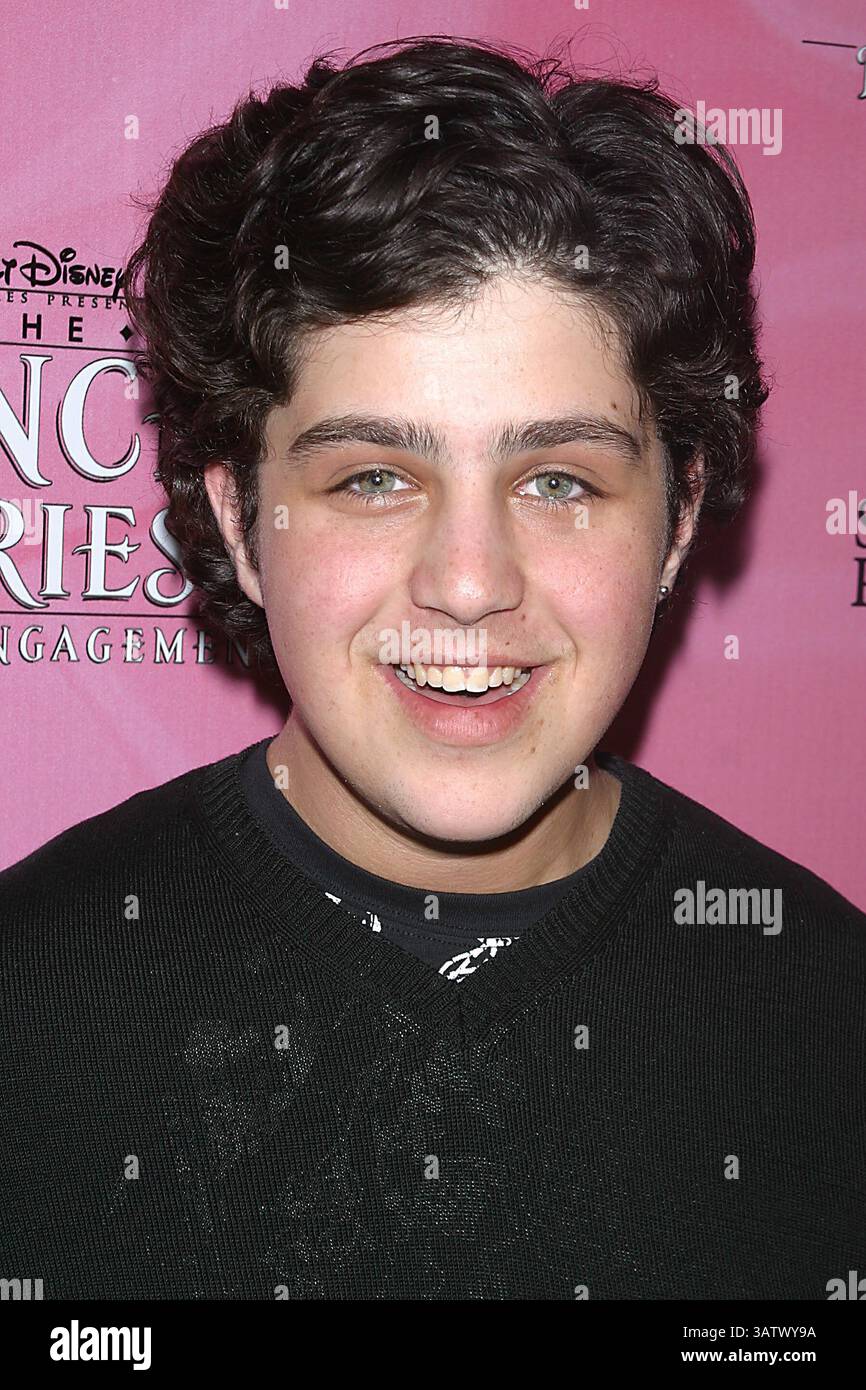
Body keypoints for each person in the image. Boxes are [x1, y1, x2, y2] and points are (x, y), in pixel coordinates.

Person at [1, 35, 862, 1301]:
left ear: (676, 521)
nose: (467, 582)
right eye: (373, 478)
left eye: (557, 481)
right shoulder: (29, 1009)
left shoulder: (828, 1016)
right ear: (239, 522)